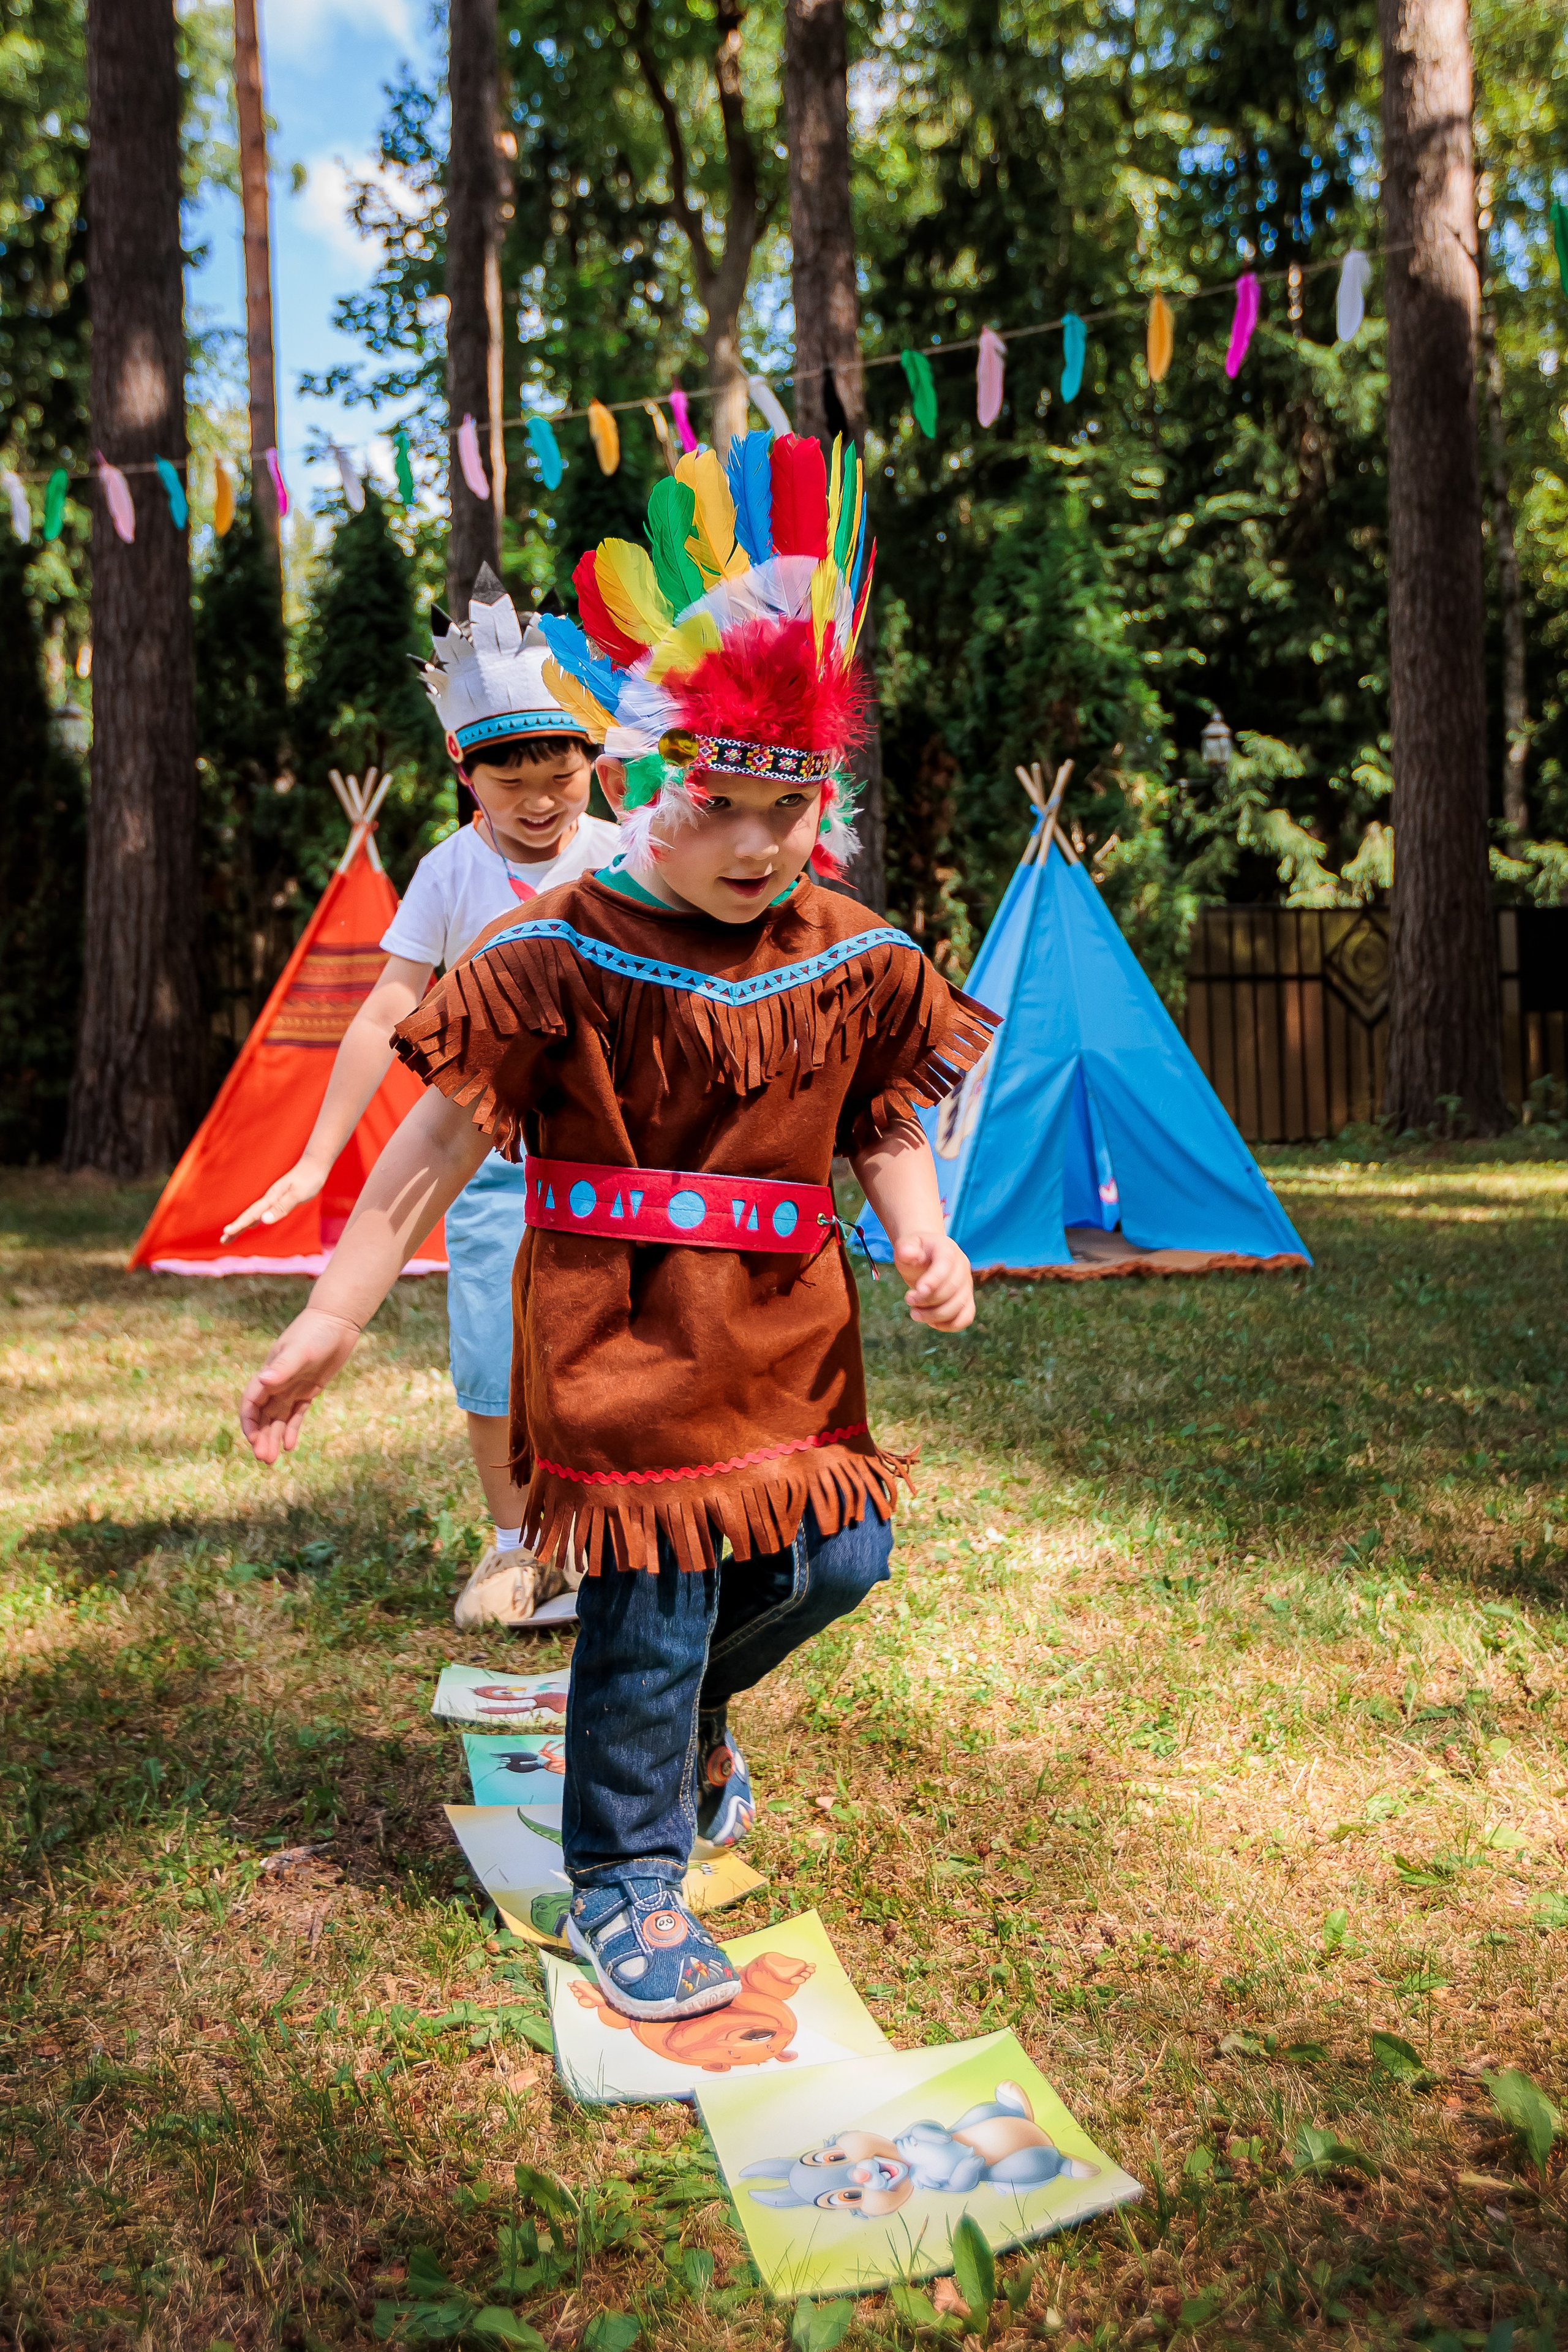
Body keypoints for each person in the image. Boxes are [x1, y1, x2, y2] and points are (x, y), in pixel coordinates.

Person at [237, 433, 997, 2024]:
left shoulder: (844, 950)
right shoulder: (558, 950)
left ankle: (679, 1724)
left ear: (820, 810)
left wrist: (922, 1231)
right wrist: (325, 1318)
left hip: (786, 1335)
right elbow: (426, 1160)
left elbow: (879, 1114)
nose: (754, 847)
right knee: (650, 1590)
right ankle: (626, 1887)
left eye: (788, 815)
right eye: (725, 807)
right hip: (621, 1329)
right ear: (661, 784)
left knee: (836, 1560)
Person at [223, 567, 619, 1629]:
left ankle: (611, 1537)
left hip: (616, 1163)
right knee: (494, 1359)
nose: (539, 802)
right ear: (464, 769)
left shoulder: (630, 862)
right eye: (509, 779)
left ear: (594, 760)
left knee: (606, 1354)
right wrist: (315, 1160)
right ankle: (514, 1547)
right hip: (488, 1166)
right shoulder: (448, 873)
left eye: (560, 774)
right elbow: (379, 1016)